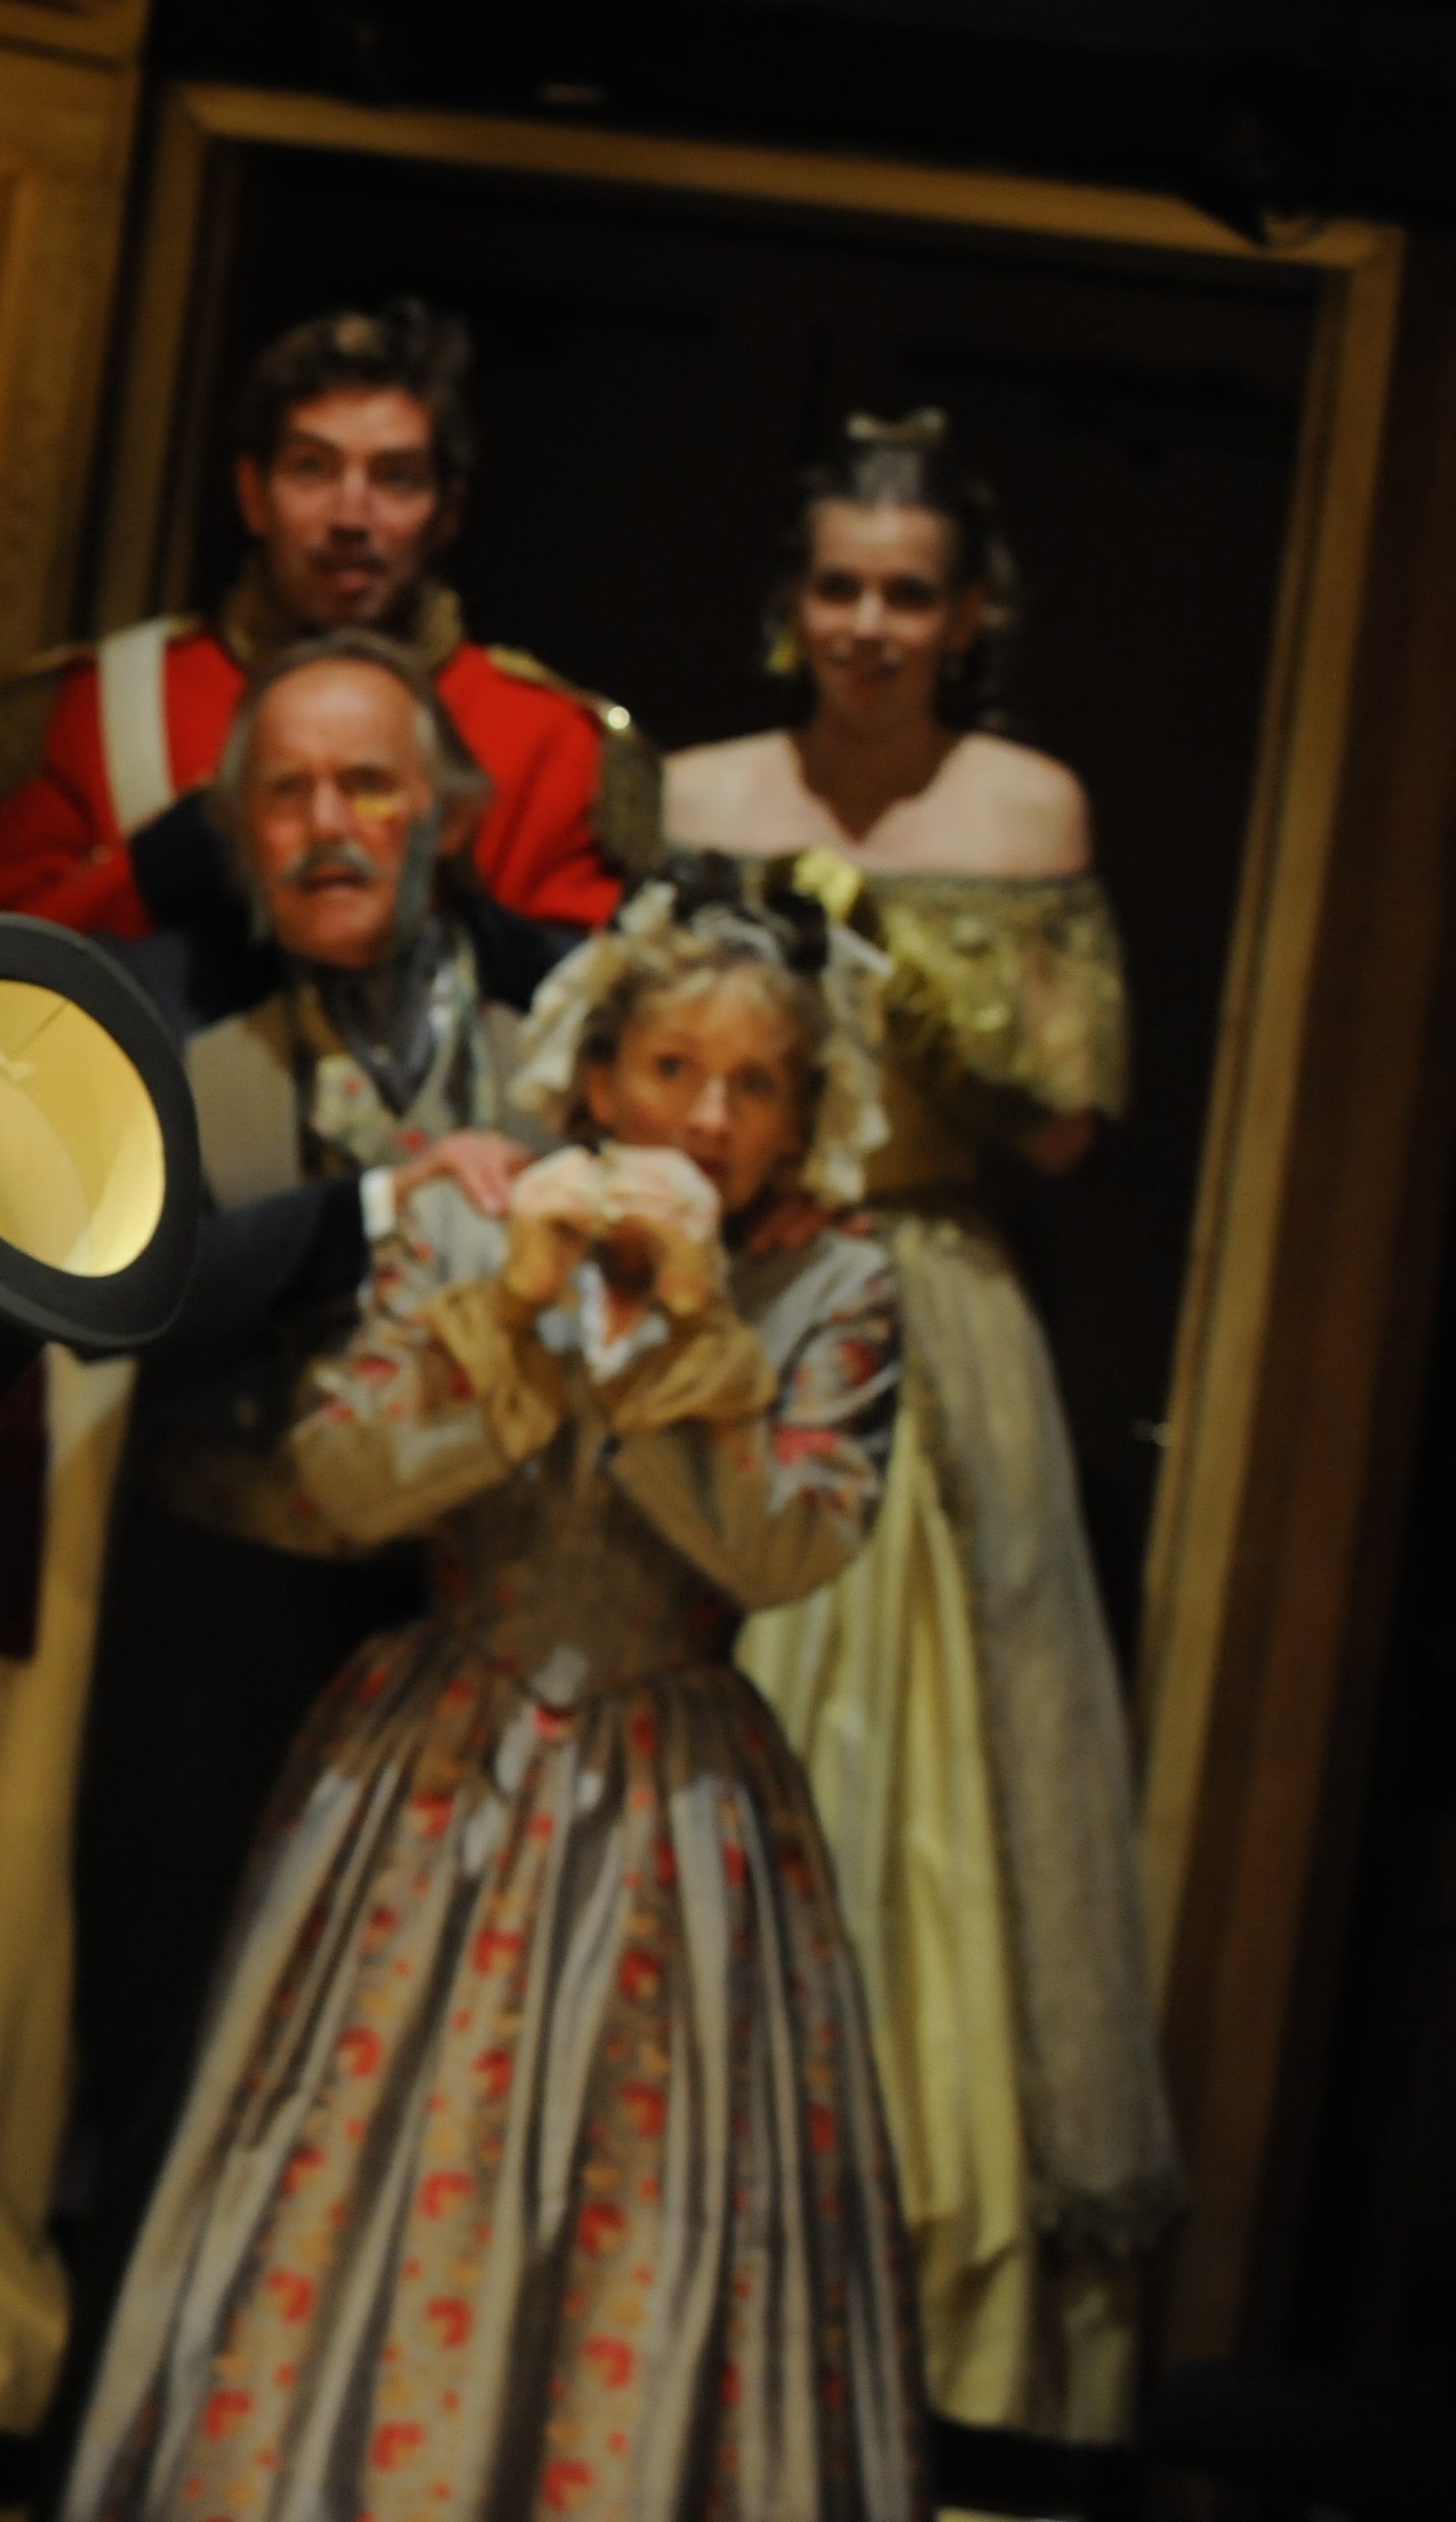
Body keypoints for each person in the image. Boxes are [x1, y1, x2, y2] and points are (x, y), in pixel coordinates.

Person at [65, 863, 931, 2522]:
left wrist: (679, 1347)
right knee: (358, 2165)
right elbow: (340, 1474)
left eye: (757, 1085)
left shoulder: (835, 1288)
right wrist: (521, 1321)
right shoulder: (477, 1227)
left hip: (677, 1800)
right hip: (433, 1763)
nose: (710, 1117)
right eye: (673, 1068)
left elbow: (794, 1544)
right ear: (597, 1074)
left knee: (651, 2190)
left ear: (804, 1115)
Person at [0, 637, 541, 2521]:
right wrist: (370, 1214)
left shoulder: (552, 1007)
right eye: (284, 793)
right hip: (194, 1589)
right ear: (233, 828)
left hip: (468, 1616)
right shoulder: (147, 1009)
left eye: (368, 787)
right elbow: (118, 1287)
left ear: (445, 813)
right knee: (129, 2011)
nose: (328, 826)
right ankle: (81, 2430)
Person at [668, 414, 1181, 2443]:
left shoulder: (1021, 804)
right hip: (720, 1284)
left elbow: (1065, 1125)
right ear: (790, 604)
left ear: (968, 617)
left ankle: (914, 2314)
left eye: (907, 592)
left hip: (926, 1300)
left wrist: (912, 995)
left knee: (944, 1775)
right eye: (839, 586)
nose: (869, 624)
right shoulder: (694, 789)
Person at [0, 298, 654, 1005]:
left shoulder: (551, 739)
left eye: (396, 478)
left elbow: (597, 1022)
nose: (350, 516)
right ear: (253, 494)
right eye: (312, 469)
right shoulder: (107, 705)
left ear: (448, 512)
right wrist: (157, 871)